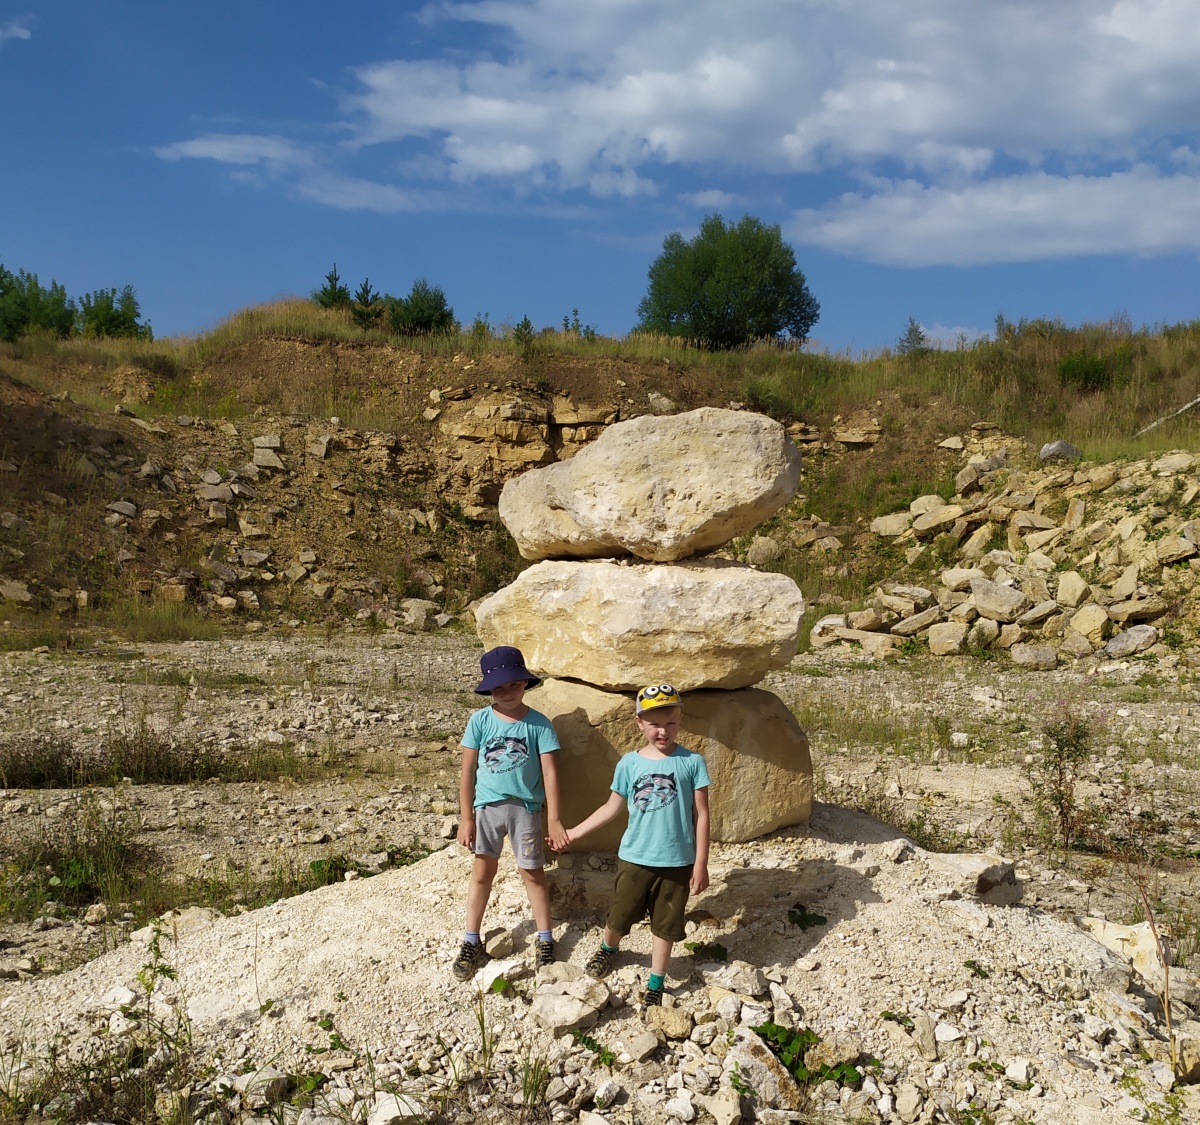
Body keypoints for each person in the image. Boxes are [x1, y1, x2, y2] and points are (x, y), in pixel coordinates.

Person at [554, 683, 710, 1009]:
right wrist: (574, 833)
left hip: (677, 861)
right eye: (654, 724)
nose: (663, 731)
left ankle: (656, 981)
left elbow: (702, 814)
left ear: (680, 719)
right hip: (634, 857)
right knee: (620, 914)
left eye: (670, 722)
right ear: (639, 723)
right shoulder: (629, 763)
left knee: (666, 925)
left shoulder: (692, 762)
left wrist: (700, 863)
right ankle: (608, 949)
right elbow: (611, 808)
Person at [453, 645, 568, 982]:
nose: (506, 692)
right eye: (498, 687)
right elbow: (467, 771)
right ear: (488, 688)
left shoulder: (539, 724)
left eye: (513, 684)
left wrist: (554, 819)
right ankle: (471, 940)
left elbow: (550, 773)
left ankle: (545, 939)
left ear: (525, 683)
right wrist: (466, 817)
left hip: (525, 810)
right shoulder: (479, 721)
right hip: (487, 809)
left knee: (532, 872)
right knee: (482, 872)